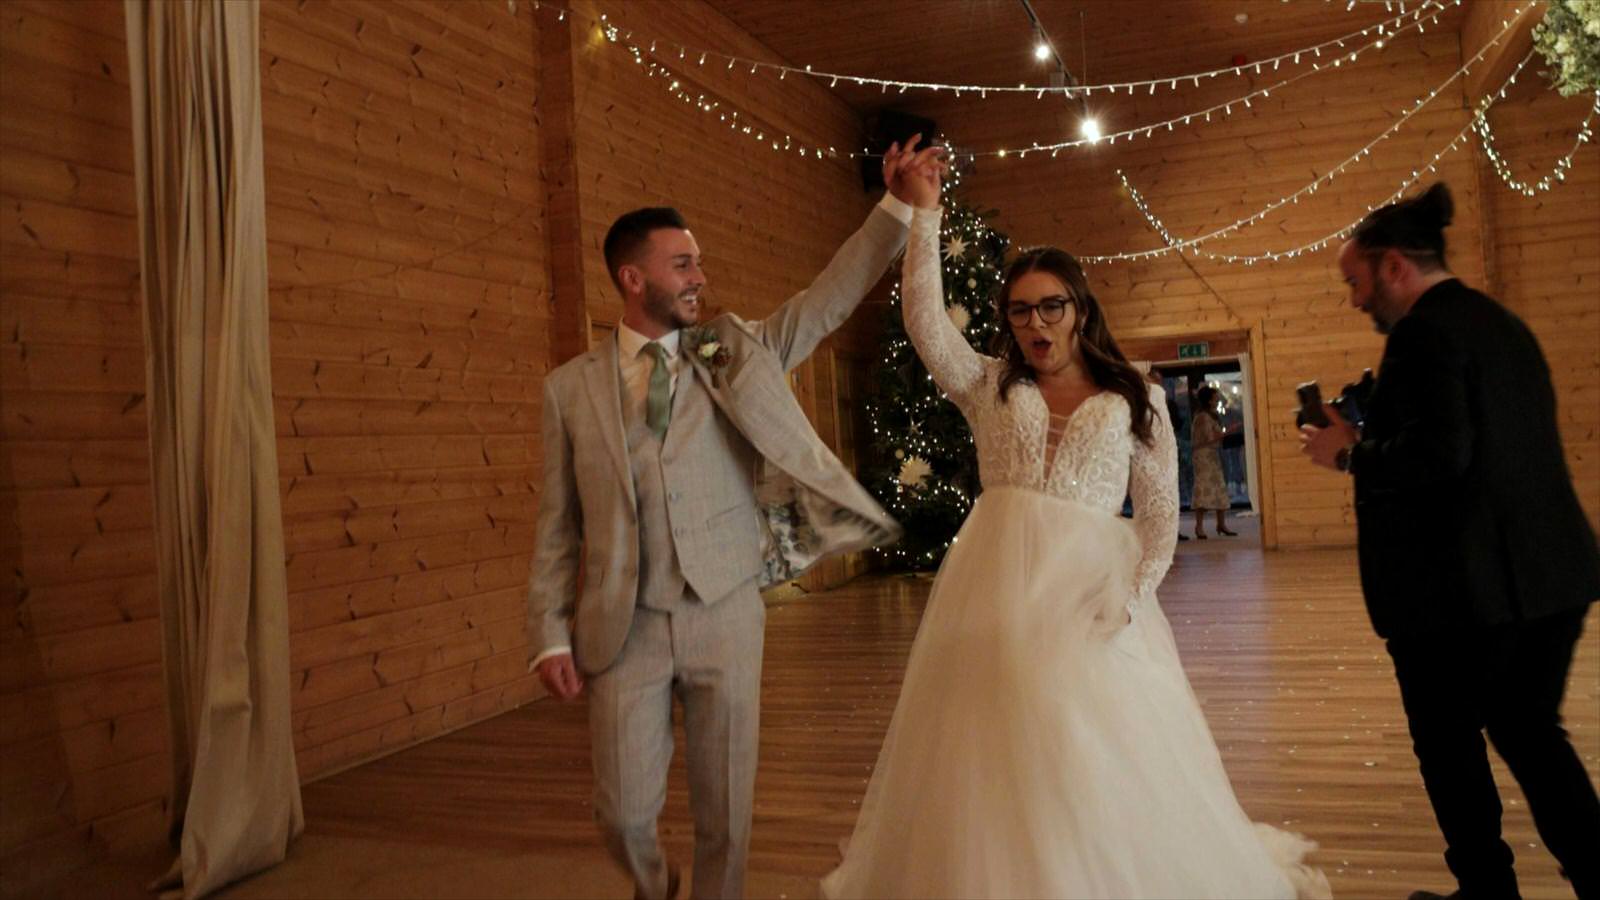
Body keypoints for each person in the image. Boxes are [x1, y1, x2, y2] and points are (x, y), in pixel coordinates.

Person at [822, 151, 1329, 899]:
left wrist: (1127, 600)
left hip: (1090, 599)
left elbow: (1159, 519)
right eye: (1020, 310)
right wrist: (925, 211)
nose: (1035, 323)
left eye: (1050, 305)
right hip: (995, 587)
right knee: (991, 746)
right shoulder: (987, 383)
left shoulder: (1136, 396)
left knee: (1084, 751)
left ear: (1080, 309)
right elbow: (925, 322)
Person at [526, 137, 942, 900]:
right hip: (623, 625)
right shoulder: (569, 389)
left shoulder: (730, 349)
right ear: (633, 277)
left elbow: (825, 301)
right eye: (682, 264)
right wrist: (549, 631)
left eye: (698, 264)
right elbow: (558, 524)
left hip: (725, 609)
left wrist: (896, 208)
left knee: (727, 811)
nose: (699, 278)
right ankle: (656, 887)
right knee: (621, 814)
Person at [1301, 182, 1599, 900]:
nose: (1354, 300)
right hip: (1551, 576)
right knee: (1532, 735)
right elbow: (1483, 449)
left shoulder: (1423, 335)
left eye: (1356, 281)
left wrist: (1349, 452)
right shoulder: (1499, 324)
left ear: (1394, 266)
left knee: (1448, 746)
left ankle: (1486, 890)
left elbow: (1441, 455)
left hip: (1464, 597)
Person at [1190, 384, 1238, 538]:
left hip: (1211, 454)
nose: (1218, 399)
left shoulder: (1210, 415)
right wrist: (1228, 432)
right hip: (1204, 455)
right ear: (1209, 400)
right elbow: (1209, 438)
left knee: (1219, 487)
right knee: (1204, 489)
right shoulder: (1203, 417)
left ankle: (1221, 524)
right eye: (1215, 397)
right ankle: (1199, 527)